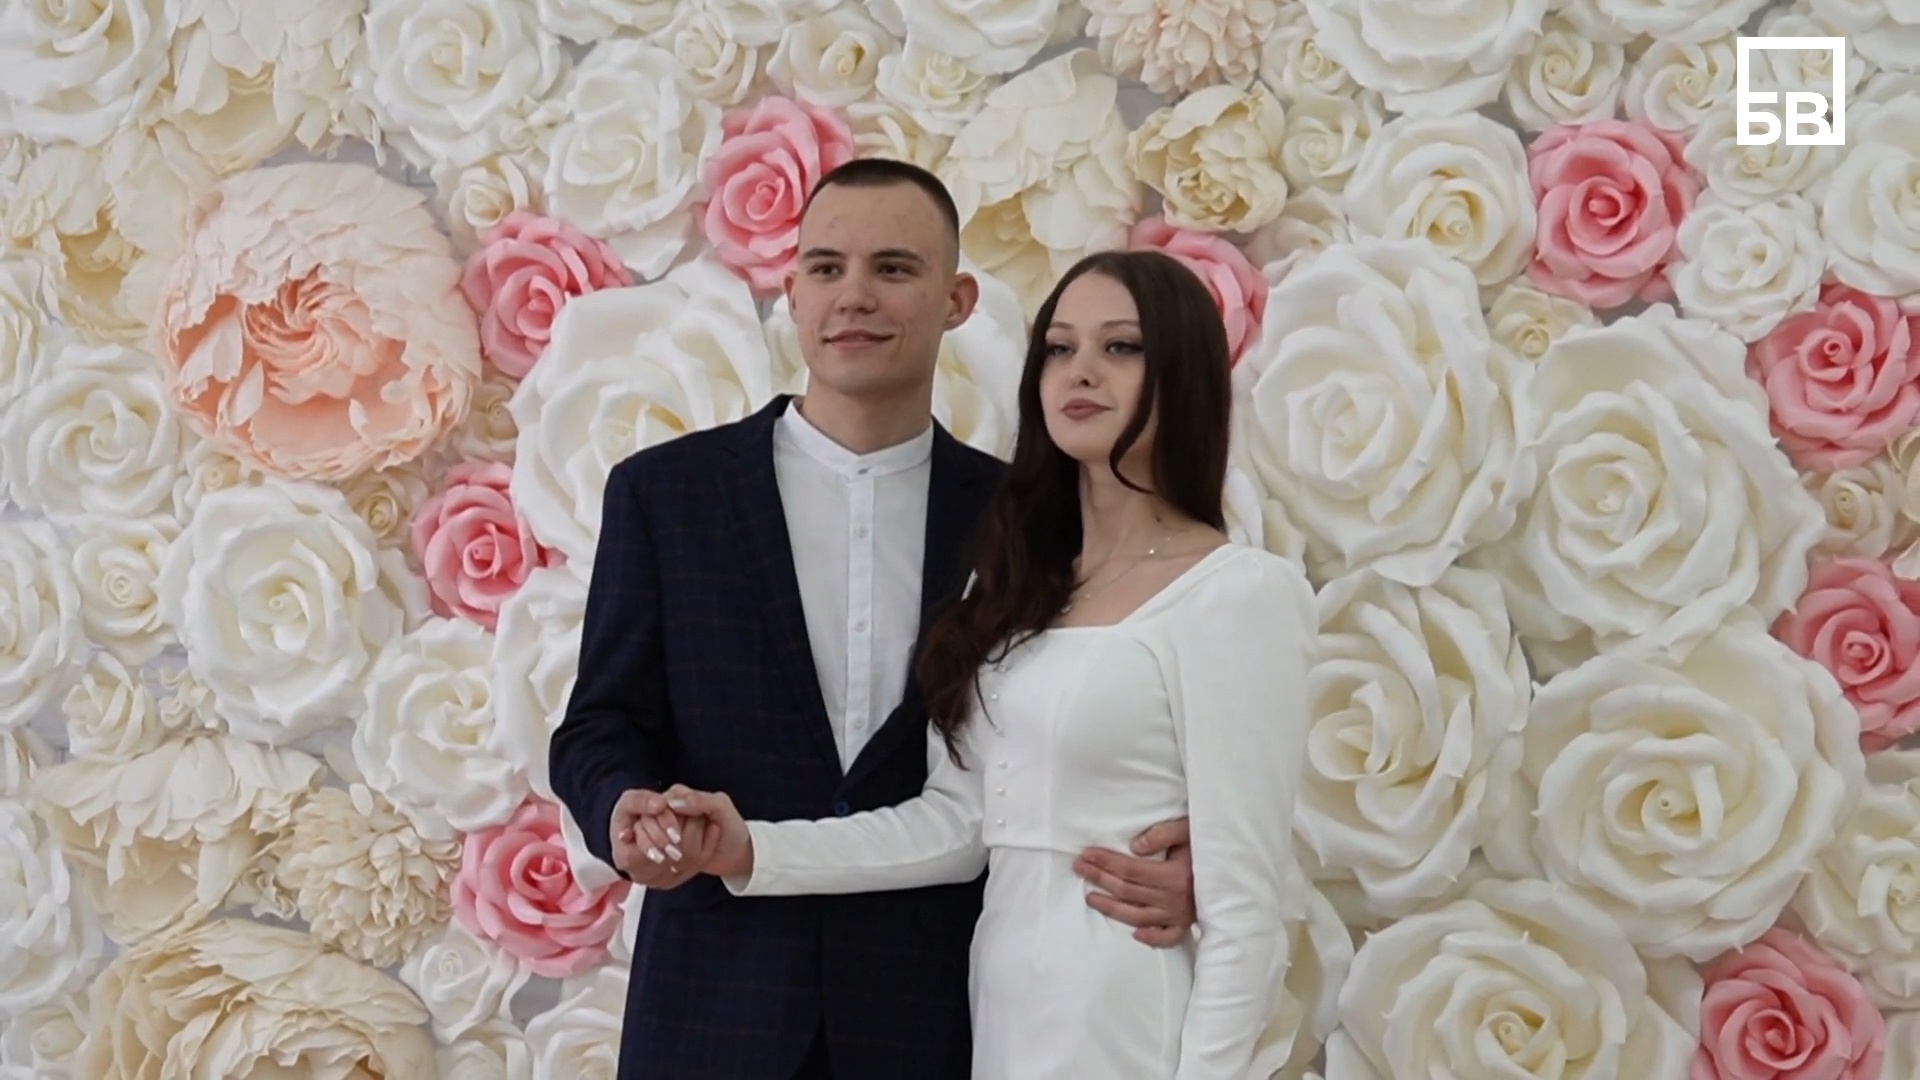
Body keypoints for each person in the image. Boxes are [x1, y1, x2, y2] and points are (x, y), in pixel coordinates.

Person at [548, 158, 1201, 1080]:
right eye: (826, 268)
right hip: (711, 1007)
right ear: (791, 294)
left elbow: (1071, 735)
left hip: (938, 1014)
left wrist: (1203, 856)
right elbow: (599, 724)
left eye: (893, 268)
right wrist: (621, 806)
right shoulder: (666, 495)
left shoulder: (1027, 518)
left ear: (957, 300)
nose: (853, 295)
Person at [646, 249, 1319, 1079]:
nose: (1081, 371)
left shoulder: (1238, 593)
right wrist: (753, 850)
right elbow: (958, 824)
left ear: (1183, 375)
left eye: (1121, 347)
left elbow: (1247, 913)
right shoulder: (1011, 583)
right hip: (1000, 1010)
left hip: (1128, 1010)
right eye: (1060, 348)